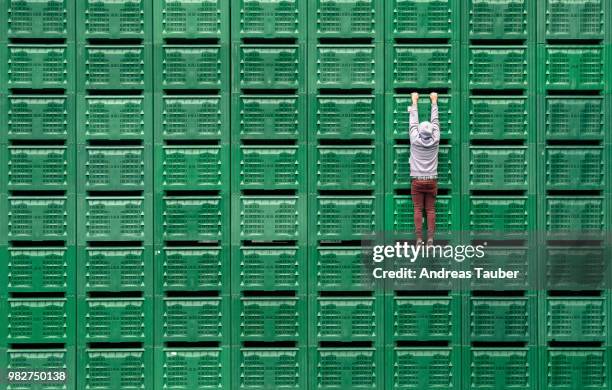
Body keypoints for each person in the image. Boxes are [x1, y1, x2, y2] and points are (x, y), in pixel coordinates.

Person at [408, 92, 440, 246]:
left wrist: (414, 101)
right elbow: (436, 121)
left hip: (417, 180)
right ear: (432, 131)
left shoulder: (415, 139)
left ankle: (419, 238)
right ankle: (431, 239)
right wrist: (434, 101)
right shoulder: (436, 140)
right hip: (432, 180)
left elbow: (413, 123)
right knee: (430, 210)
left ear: (420, 132)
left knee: (418, 210)